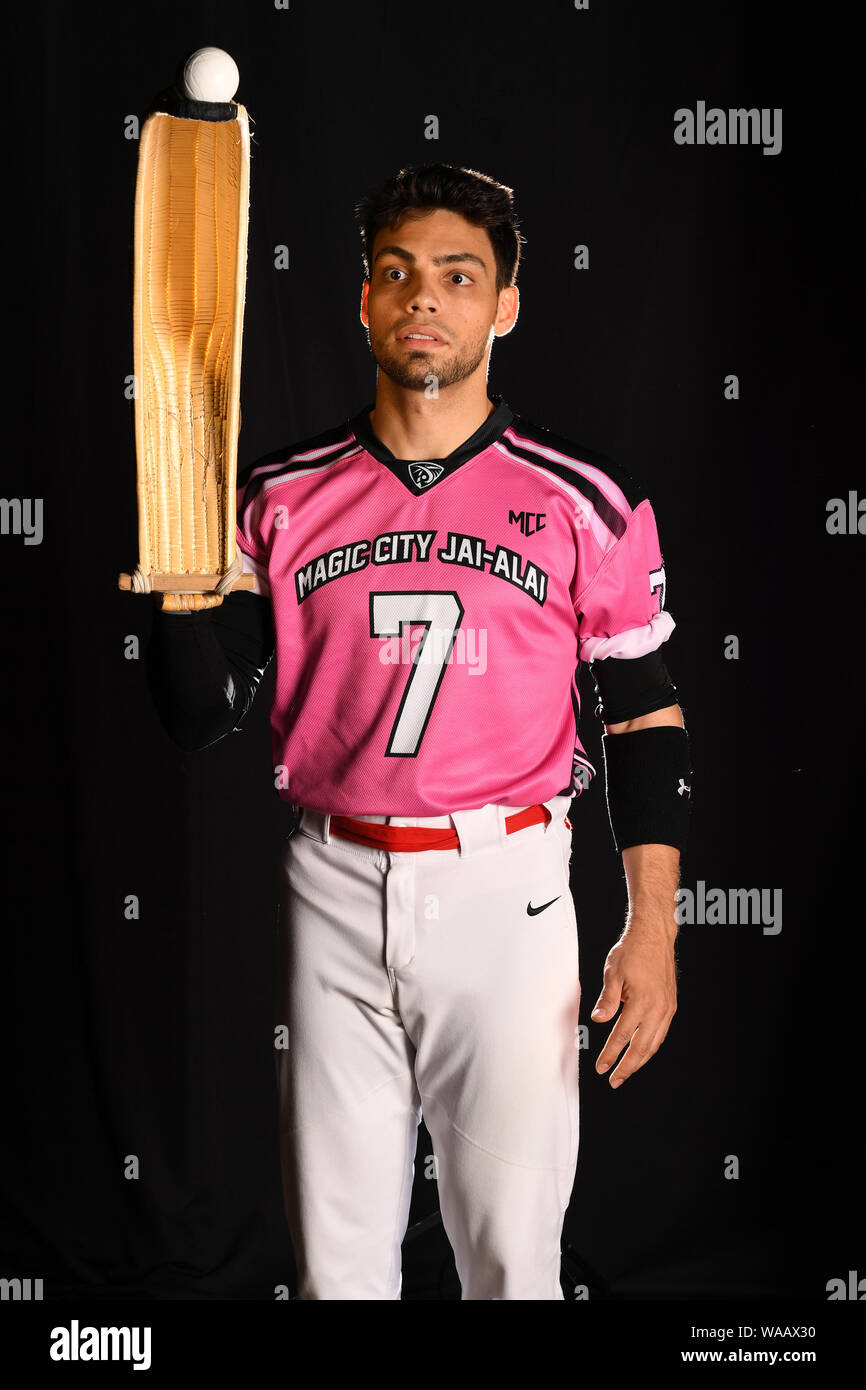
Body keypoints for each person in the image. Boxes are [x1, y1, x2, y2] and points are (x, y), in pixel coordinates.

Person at [146, 162, 692, 1301]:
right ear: (361, 301)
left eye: (456, 275)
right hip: (331, 884)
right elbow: (201, 714)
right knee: (336, 1273)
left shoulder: (578, 495)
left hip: (507, 891)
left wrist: (651, 928)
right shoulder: (280, 496)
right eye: (395, 275)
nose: (421, 300)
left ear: (503, 306)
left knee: (509, 1264)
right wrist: (176, 589)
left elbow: (642, 712)